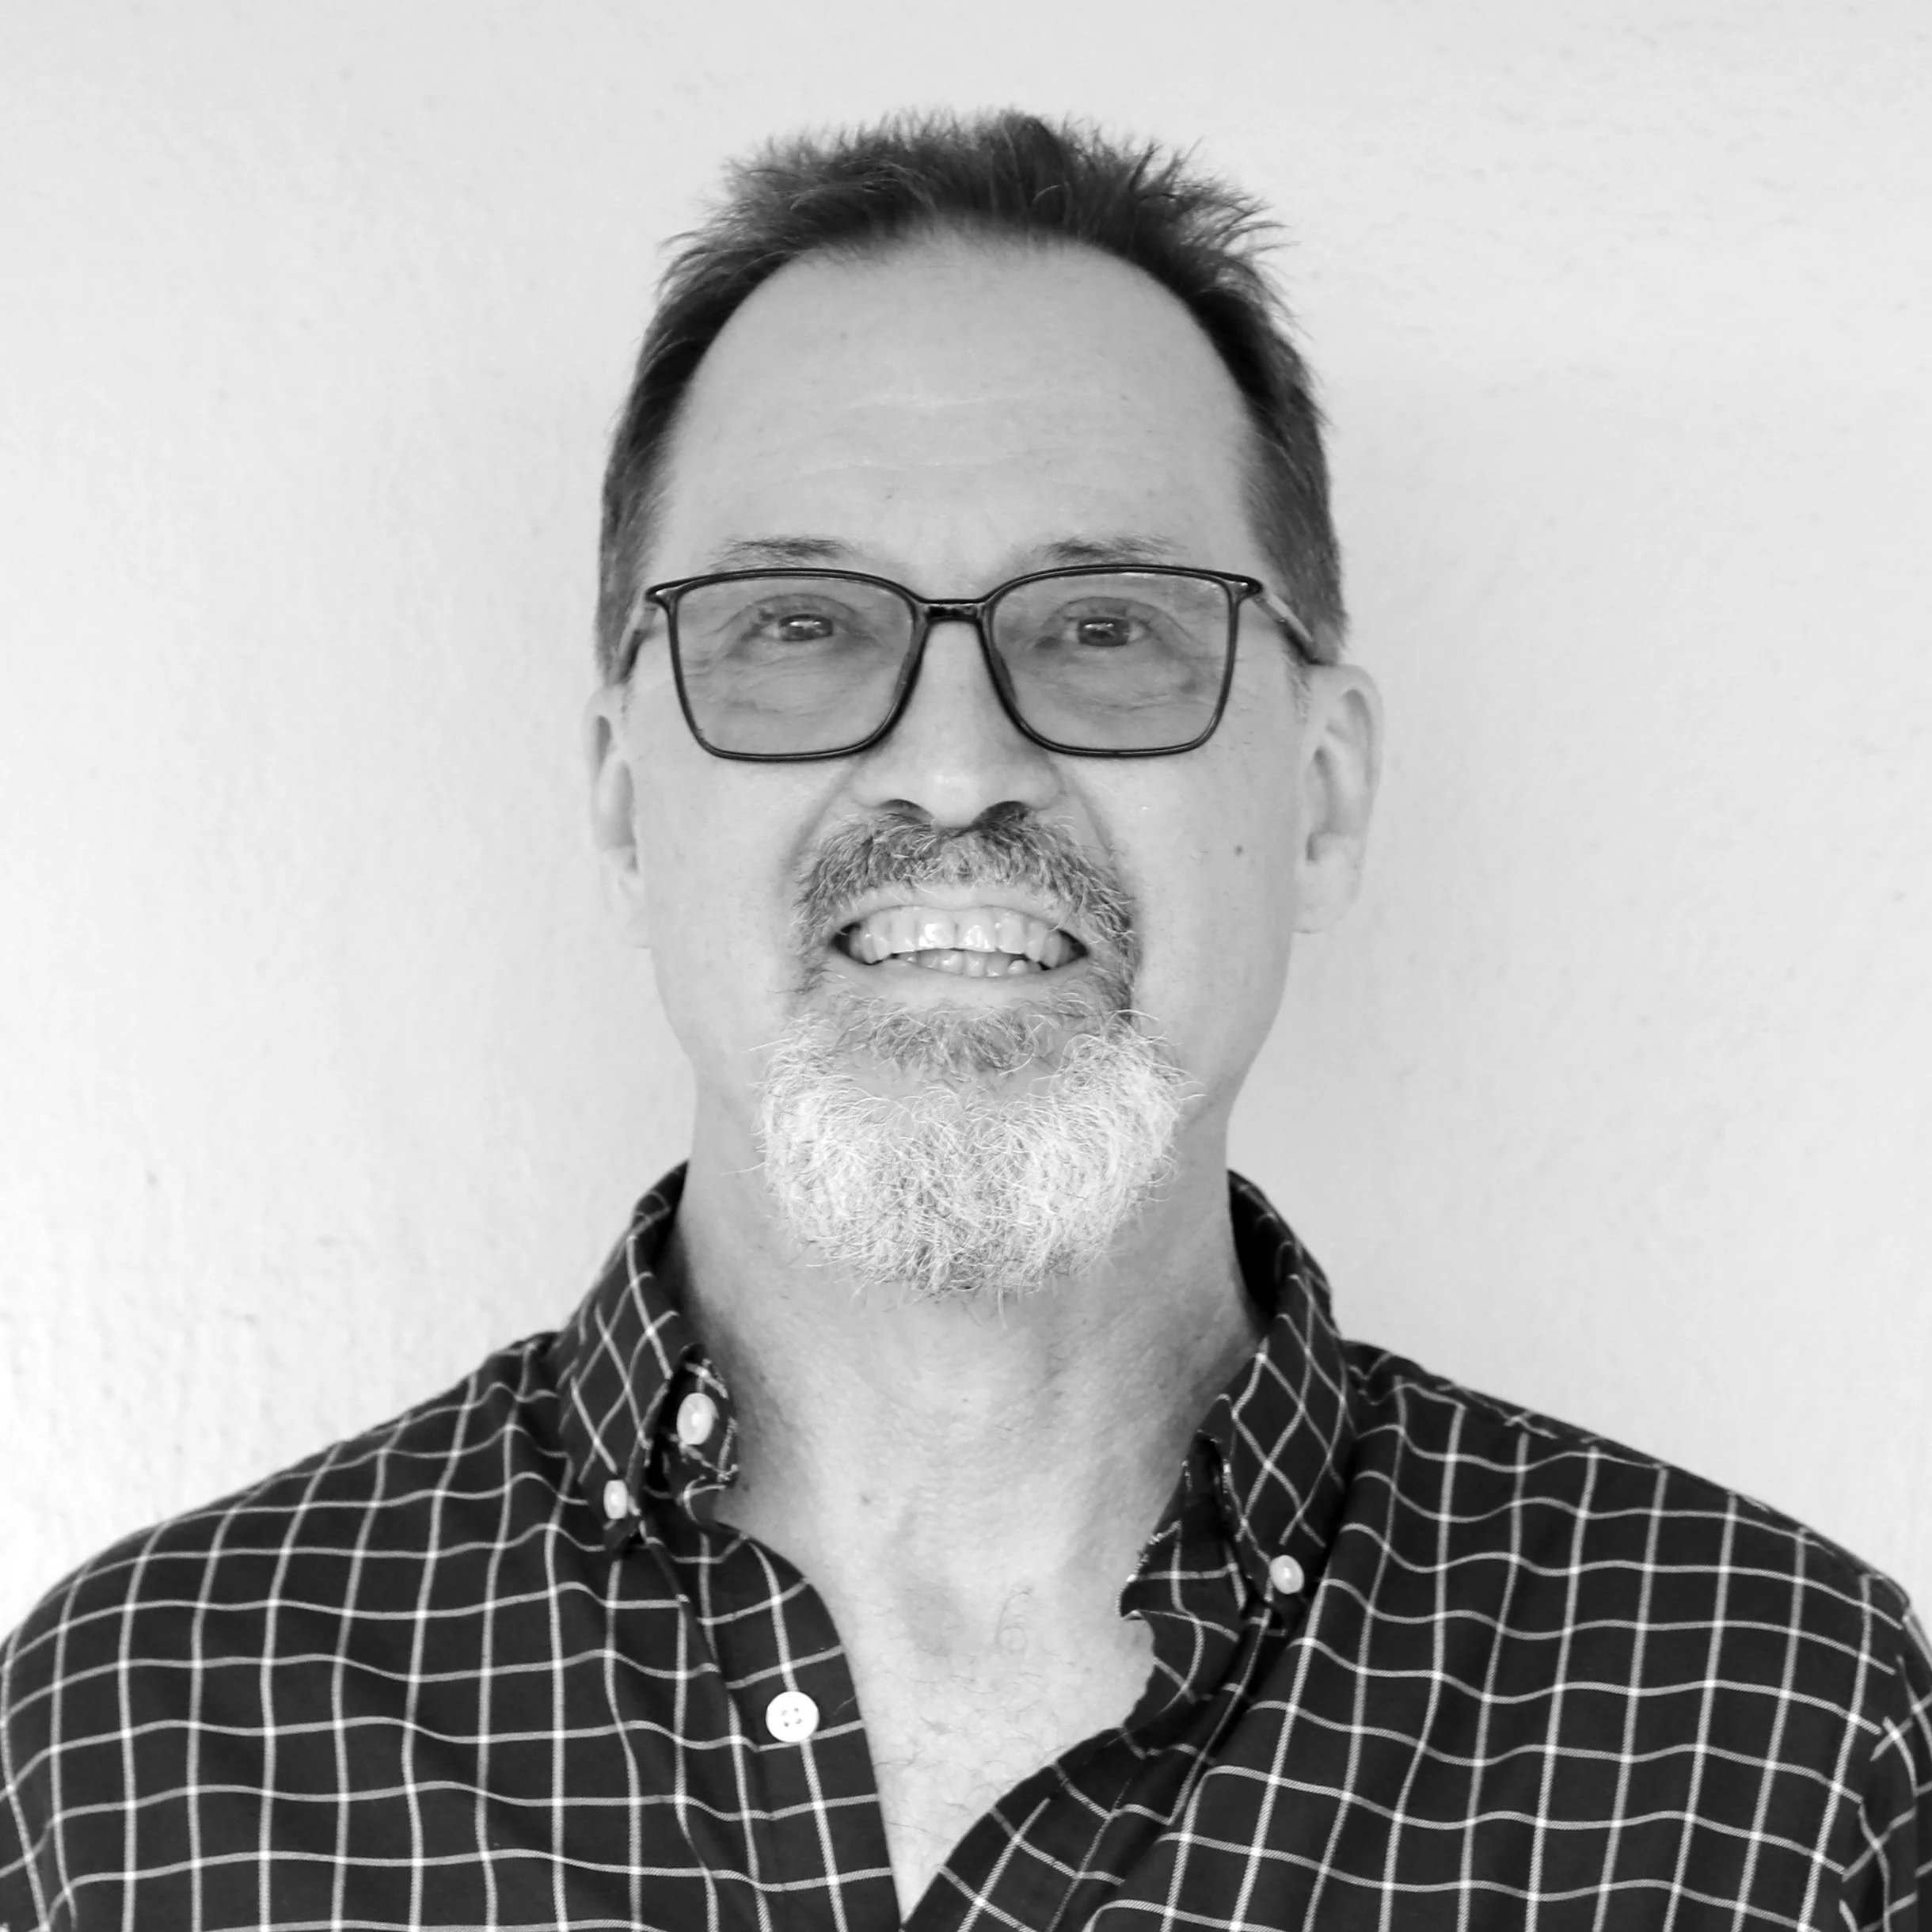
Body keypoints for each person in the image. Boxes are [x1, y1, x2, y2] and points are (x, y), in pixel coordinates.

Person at [2, 108, 1927, 1932]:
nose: (945, 762)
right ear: (619, 795)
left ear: (1320, 795)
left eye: (1102, 625)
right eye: (794, 624)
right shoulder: (142, 1738)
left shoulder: (1771, 1730)